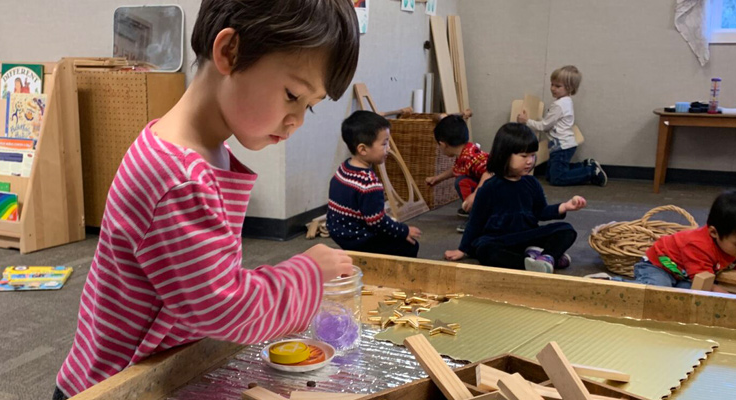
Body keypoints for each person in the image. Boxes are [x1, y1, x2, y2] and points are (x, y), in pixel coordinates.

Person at [53, 0, 361, 398]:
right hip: (116, 387)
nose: (296, 120)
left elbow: (205, 287)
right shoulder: (177, 177)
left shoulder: (199, 152)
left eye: (309, 108)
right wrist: (307, 275)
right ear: (230, 52)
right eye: (291, 95)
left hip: (158, 366)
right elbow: (224, 308)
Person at [445, 123, 586, 273]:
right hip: (501, 240)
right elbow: (475, 221)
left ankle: (547, 257)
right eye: (523, 156)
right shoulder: (490, 187)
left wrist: (565, 206)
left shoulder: (532, 183)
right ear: (504, 155)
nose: (530, 161)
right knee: (484, 250)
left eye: (532, 155)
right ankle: (529, 263)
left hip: (526, 236)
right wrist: (462, 249)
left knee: (566, 230)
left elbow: (541, 211)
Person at [587, 189, 736, 291]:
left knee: (683, 293)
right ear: (713, 232)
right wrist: (720, 291)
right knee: (658, 290)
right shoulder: (698, 245)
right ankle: (608, 283)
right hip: (657, 265)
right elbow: (704, 281)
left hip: (683, 272)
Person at [327, 111, 422, 258]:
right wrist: (403, 230)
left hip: (338, 232)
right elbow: (378, 223)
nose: (388, 148)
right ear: (363, 149)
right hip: (358, 238)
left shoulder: (344, 168)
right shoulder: (369, 183)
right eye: (384, 144)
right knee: (411, 246)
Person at [517, 65, 607, 187]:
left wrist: (526, 121)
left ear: (569, 88)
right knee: (550, 175)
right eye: (552, 84)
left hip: (562, 147)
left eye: (558, 86)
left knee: (557, 179)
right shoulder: (565, 101)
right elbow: (549, 122)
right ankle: (585, 165)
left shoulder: (559, 105)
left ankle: (591, 171)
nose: (553, 88)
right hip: (561, 145)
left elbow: (544, 126)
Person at [423, 113, 491, 232]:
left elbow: (490, 172)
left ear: (442, 144)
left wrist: (474, 196)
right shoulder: (466, 151)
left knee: (462, 182)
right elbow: (457, 169)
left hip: (497, 191)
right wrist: (437, 178)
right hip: (489, 189)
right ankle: (477, 209)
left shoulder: (470, 158)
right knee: (462, 178)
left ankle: (477, 218)